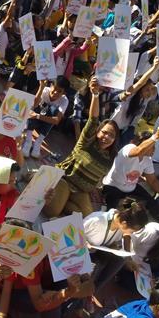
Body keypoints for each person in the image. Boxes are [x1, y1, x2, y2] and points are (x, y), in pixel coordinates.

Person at [45, 76, 118, 217]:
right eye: (104, 132)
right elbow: (93, 119)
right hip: (65, 180)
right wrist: (96, 95)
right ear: (97, 132)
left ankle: (62, 201)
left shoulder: (111, 156)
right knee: (52, 212)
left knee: (87, 218)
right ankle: (51, 189)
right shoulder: (87, 141)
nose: (106, 137)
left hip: (81, 192)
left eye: (111, 135)